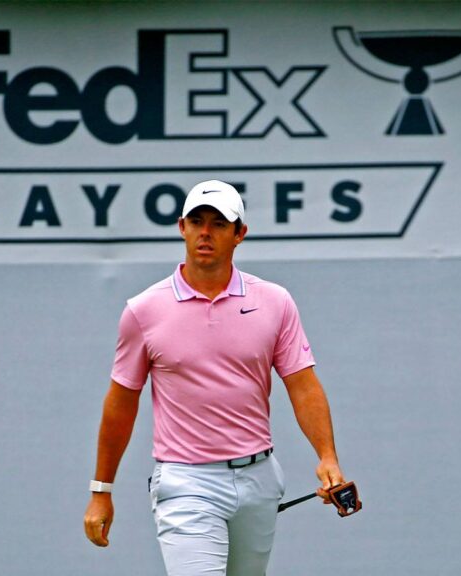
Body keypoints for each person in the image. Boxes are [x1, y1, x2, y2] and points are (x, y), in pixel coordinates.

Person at [82, 179, 347, 575]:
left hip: (259, 479)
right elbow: (121, 402)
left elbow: (302, 385)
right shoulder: (144, 310)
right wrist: (102, 490)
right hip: (185, 482)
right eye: (196, 221)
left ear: (240, 234)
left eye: (219, 224)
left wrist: (327, 456)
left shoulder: (274, 302)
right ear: (182, 227)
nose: (205, 232)